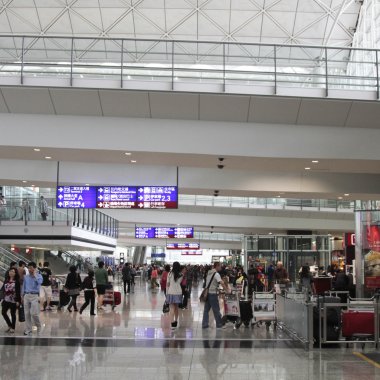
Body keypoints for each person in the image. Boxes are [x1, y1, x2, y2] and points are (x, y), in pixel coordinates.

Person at [202, 262, 228, 329]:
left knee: (206, 310)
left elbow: (210, 284)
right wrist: (227, 290)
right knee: (216, 310)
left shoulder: (209, 273)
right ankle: (219, 324)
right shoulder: (216, 274)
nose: (221, 268)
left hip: (207, 294)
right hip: (213, 294)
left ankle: (204, 324)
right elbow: (221, 283)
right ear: (216, 266)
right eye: (220, 266)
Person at [22, 262, 43, 336]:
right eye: (29, 267)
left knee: (34, 313)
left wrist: (35, 275)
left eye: (31, 267)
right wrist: (22, 296)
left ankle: (39, 326)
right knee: (26, 313)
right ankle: (28, 329)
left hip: (35, 296)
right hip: (26, 295)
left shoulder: (39, 276)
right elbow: (24, 286)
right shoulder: (26, 277)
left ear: (34, 268)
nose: (30, 269)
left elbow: (40, 282)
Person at [1, 267, 21, 333]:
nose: (11, 272)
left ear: (15, 273)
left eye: (13, 271)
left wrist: (18, 301)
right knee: (3, 312)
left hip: (13, 300)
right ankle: (9, 325)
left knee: (13, 314)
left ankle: (13, 327)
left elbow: (18, 292)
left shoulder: (17, 282)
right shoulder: (6, 280)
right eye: (10, 271)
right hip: (6, 299)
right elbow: (2, 289)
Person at [166, 261, 183, 329]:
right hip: (178, 292)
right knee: (176, 308)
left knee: (172, 308)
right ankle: (176, 321)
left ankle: (172, 323)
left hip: (171, 292)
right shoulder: (181, 274)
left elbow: (168, 284)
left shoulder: (169, 274)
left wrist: (167, 292)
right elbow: (179, 283)